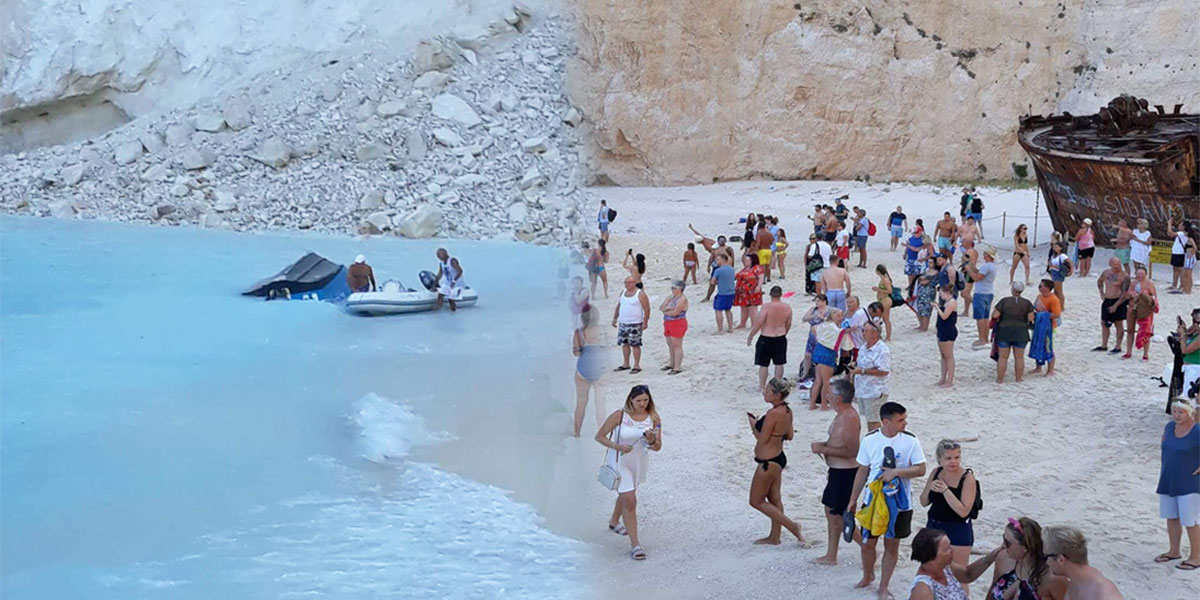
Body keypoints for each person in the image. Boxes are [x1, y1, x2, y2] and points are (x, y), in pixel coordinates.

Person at [846, 401, 927, 600]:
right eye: (900, 420)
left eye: (904, 419)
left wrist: (897, 472)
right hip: (872, 501)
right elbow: (862, 470)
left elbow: (921, 469)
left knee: (892, 545)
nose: (905, 423)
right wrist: (853, 499)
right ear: (885, 421)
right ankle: (868, 575)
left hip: (900, 504)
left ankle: (884, 585)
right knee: (867, 544)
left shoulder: (910, 440)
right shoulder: (870, 440)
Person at [595, 385, 662, 560]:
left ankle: (614, 522)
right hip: (619, 461)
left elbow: (657, 447)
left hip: (637, 463)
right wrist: (617, 446)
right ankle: (635, 545)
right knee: (630, 499)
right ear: (630, 399)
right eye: (638, 400)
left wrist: (652, 439)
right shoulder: (620, 415)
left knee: (627, 493)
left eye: (646, 400)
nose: (642, 404)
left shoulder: (654, 418)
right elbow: (599, 436)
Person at [747, 378, 808, 545]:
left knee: (756, 501)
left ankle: (793, 526)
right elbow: (789, 436)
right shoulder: (787, 410)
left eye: (768, 391)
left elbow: (762, 439)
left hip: (768, 462)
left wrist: (753, 425)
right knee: (775, 499)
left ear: (777, 395)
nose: (764, 393)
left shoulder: (773, 414)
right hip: (778, 458)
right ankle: (775, 536)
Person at [812, 379, 862, 565]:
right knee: (832, 512)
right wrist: (823, 445)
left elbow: (852, 451)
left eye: (830, 394)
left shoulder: (848, 418)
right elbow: (839, 443)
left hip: (845, 473)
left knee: (838, 516)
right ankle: (831, 554)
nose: (827, 397)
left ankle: (867, 547)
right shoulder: (841, 415)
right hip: (837, 471)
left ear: (839, 398)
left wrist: (823, 450)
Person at [919, 440, 978, 595]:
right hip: (934, 527)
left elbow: (963, 511)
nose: (953, 462)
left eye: (957, 457)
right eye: (948, 458)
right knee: (930, 570)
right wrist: (930, 490)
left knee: (959, 576)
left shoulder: (967, 478)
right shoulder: (936, 472)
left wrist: (946, 491)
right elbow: (923, 501)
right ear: (940, 460)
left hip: (958, 529)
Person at [1157, 398, 1200, 570]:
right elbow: (1164, 446)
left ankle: (1196, 557)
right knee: (1171, 516)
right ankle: (1174, 551)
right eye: (1174, 411)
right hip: (1168, 478)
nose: (1176, 415)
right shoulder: (1169, 427)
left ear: (1190, 413)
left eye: (1180, 412)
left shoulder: (1197, 431)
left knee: (1190, 520)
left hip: (1190, 481)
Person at [908, 528, 1004, 600]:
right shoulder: (922, 590)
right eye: (947, 549)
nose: (952, 550)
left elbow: (967, 574)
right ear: (932, 556)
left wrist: (991, 557)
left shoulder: (945, 567)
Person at [991, 517, 1069, 600]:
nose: (1003, 545)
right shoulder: (1003, 558)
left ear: (1026, 548)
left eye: (1008, 543)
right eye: (1003, 538)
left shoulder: (1052, 578)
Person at [1043, 526, 1124, 599]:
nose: (1046, 562)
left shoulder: (1103, 595)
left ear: (1060, 559)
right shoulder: (1077, 581)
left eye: (1045, 556)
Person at [748, 286, 792, 391]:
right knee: (779, 363)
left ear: (770, 295)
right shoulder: (787, 307)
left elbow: (759, 322)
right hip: (780, 336)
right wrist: (785, 332)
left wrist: (751, 335)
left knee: (764, 364)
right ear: (781, 294)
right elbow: (789, 323)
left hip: (766, 337)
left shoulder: (766, 307)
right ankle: (777, 385)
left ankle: (762, 387)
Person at [992, 281, 1036, 383]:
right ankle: (1018, 378)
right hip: (1021, 332)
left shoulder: (1004, 301)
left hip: (1004, 331)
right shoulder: (1027, 303)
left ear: (1012, 289)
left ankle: (1000, 379)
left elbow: (995, 315)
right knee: (1019, 357)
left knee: (1003, 357)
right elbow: (1030, 318)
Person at [572, 308, 606, 436]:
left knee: (581, 403)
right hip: (600, 369)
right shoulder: (602, 330)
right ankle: (602, 433)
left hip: (583, 369)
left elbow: (576, 352)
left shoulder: (579, 332)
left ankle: (577, 432)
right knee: (600, 404)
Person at [852, 320, 890, 432]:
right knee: (869, 419)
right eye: (863, 331)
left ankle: (876, 444)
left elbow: (884, 371)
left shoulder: (882, 350)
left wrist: (862, 371)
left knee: (874, 421)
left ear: (875, 333)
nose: (863, 333)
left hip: (875, 391)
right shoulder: (864, 346)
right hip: (864, 390)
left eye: (865, 331)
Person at [612, 277, 650, 373]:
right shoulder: (623, 292)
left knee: (635, 344)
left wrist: (645, 322)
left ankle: (636, 365)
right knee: (624, 343)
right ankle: (626, 363)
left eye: (629, 283)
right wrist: (615, 318)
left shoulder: (640, 294)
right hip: (623, 322)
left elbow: (647, 308)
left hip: (635, 323)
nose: (627, 284)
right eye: (626, 283)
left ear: (634, 283)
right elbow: (619, 305)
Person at [810, 308, 845, 410]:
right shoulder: (833, 327)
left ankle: (812, 404)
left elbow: (814, 328)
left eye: (841, 316)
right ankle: (824, 404)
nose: (840, 318)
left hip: (818, 351)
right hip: (827, 354)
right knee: (826, 382)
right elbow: (840, 333)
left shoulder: (824, 325)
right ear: (832, 316)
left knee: (818, 381)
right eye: (838, 316)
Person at [1096, 257, 1131, 354]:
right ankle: (1104, 344)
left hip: (1119, 300)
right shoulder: (1106, 273)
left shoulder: (1124, 276)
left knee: (1118, 324)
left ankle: (1118, 346)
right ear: (1110, 264)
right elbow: (1100, 282)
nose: (1117, 267)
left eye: (1118, 264)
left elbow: (1125, 293)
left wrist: (1116, 305)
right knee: (1104, 323)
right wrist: (1102, 293)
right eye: (1114, 264)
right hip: (1107, 299)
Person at [966, 245, 999, 348]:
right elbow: (978, 272)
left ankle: (982, 338)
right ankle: (985, 338)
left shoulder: (987, 266)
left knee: (980, 317)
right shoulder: (992, 266)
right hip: (989, 292)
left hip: (981, 293)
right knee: (985, 317)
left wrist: (968, 269)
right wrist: (971, 265)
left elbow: (976, 278)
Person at [1123, 266, 1158, 361]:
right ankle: (1128, 352)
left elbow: (1154, 298)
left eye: (1142, 274)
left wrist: (1143, 295)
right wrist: (1131, 294)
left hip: (1144, 310)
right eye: (1138, 274)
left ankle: (1145, 354)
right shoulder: (1133, 283)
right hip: (1132, 308)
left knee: (1145, 331)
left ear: (1145, 274)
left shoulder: (1149, 284)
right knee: (1130, 330)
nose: (1140, 276)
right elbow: (1126, 296)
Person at [1030, 279, 1061, 376]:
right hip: (1038, 325)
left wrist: (1042, 316)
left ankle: (1050, 370)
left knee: (1048, 346)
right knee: (1037, 343)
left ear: (1047, 288)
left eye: (1041, 286)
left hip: (1049, 326)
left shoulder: (1054, 299)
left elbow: (1056, 314)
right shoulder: (1039, 296)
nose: (1039, 287)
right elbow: (1034, 307)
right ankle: (1038, 367)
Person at [799, 293, 831, 386]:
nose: (816, 303)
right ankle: (804, 374)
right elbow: (804, 318)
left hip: (823, 336)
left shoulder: (830, 311)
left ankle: (819, 376)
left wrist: (823, 318)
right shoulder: (813, 309)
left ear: (824, 301)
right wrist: (814, 316)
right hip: (812, 336)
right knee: (808, 355)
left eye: (818, 301)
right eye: (816, 301)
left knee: (820, 357)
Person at [660, 280, 689, 375]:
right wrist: (668, 310)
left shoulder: (682, 299)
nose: (672, 290)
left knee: (677, 345)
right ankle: (672, 363)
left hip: (677, 322)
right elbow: (661, 307)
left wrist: (667, 310)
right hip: (668, 322)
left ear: (680, 289)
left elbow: (675, 312)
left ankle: (677, 367)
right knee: (670, 344)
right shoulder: (671, 297)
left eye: (674, 288)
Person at [935, 285, 958, 388]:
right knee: (943, 356)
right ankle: (943, 378)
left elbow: (944, 316)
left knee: (948, 356)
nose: (940, 295)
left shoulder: (952, 302)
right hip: (942, 330)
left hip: (948, 331)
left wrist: (937, 307)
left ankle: (949, 380)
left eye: (941, 293)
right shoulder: (947, 302)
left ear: (947, 292)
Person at [734, 254, 765, 329]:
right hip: (742, 292)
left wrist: (758, 286)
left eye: (747, 260)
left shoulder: (757, 268)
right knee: (743, 308)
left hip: (752, 291)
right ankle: (742, 323)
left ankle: (755, 324)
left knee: (752, 308)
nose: (745, 261)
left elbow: (761, 278)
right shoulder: (745, 269)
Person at [711, 253, 736, 333]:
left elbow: (712, 282)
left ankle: (720, 329)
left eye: (718, 259)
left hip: (722, 293)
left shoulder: (718, 270)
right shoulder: (732, 269)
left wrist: (717, 282)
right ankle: (730, 327)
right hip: (731, 292)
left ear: (722, 260)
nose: (716, 261)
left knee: (718, 310)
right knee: (728, 310)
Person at [872, 265, 897, 341]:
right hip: (882, 300)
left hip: (885, 300)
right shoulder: (883, 279)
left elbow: (890, 291)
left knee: (886, 319)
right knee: (879, 318)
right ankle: (879, 335)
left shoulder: (885, 280)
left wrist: (878, 289)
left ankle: (888, 337)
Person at [1046, 241, 1071, 310]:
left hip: (1058, 273)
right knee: (1055, 291)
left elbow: (1070, 262)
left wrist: (1071, 271)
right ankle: (1057, 305)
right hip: (1053, 272)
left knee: (1059, 291)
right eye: (1054, 247)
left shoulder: (1062, 256)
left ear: (1060, 248)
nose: (1054, 248)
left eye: (1056, 247)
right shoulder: (1053, 255)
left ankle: (1062, 306)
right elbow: (1050, 263)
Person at [1170, 218, 1190, 292]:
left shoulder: (1182, 233)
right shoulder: (1181, 233)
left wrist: (1169, 224)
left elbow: (1170, 233)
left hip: (1179, 253)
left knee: (1179, 269)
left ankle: (1182, 285)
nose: (1179, 225)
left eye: (1180, 224)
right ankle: (1174, 284)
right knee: (1175, 269)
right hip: (1176, 252)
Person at [905, 229, 927, 295]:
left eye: (917, 233)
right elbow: (907, 246)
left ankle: (914, 285)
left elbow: (917, 249)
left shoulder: (922, 240)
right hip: (909, 258)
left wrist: (907, 246)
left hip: (917, 259)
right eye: (914, 233)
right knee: (909, 273)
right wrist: (905, 253)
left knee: (915, 273)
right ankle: (910, 285)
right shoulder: (911, 238)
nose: (915, 234)